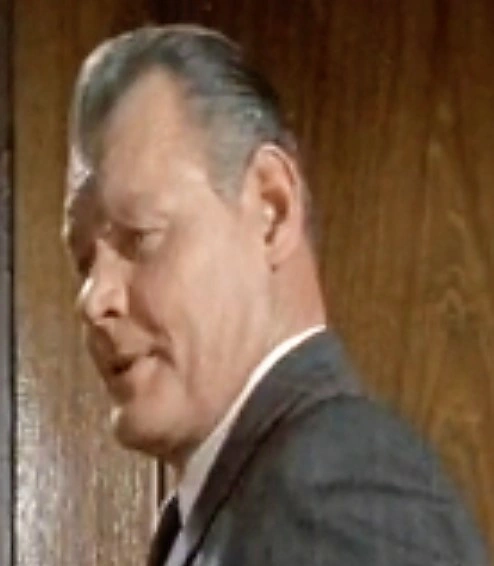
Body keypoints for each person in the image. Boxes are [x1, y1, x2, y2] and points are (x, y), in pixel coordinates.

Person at [62, 24, 489, 566]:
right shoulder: (255, 491)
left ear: (272, 209)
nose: (94, 298)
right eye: (84, 260)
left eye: (139, 236)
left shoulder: (338, 492)